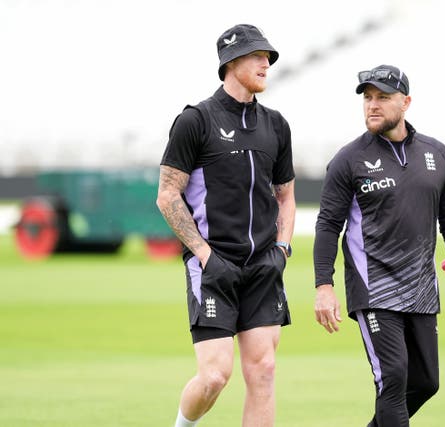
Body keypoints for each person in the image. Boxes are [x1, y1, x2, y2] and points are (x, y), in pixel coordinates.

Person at [313, 64, 445, 426]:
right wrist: (323, 286)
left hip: (421, 289)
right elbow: (328, 225)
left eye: (383, 98)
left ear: (405, 102)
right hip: (373, 289)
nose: (372, 105)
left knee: (425, 383)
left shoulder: (436, 155)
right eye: (368, 98)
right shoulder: (348, 160)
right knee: (392, 378)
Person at [157, 24, 296, 427]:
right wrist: (204, 255)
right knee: (216, 375)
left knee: (264, 372)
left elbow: (285, 197)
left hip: (264, 267)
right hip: (213, 267)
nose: (265, 63)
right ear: (231, 62)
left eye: (268, 57)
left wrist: (282, 250)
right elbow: (168, 195)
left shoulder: (277, 125)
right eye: (256, 56)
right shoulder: (195, 120)